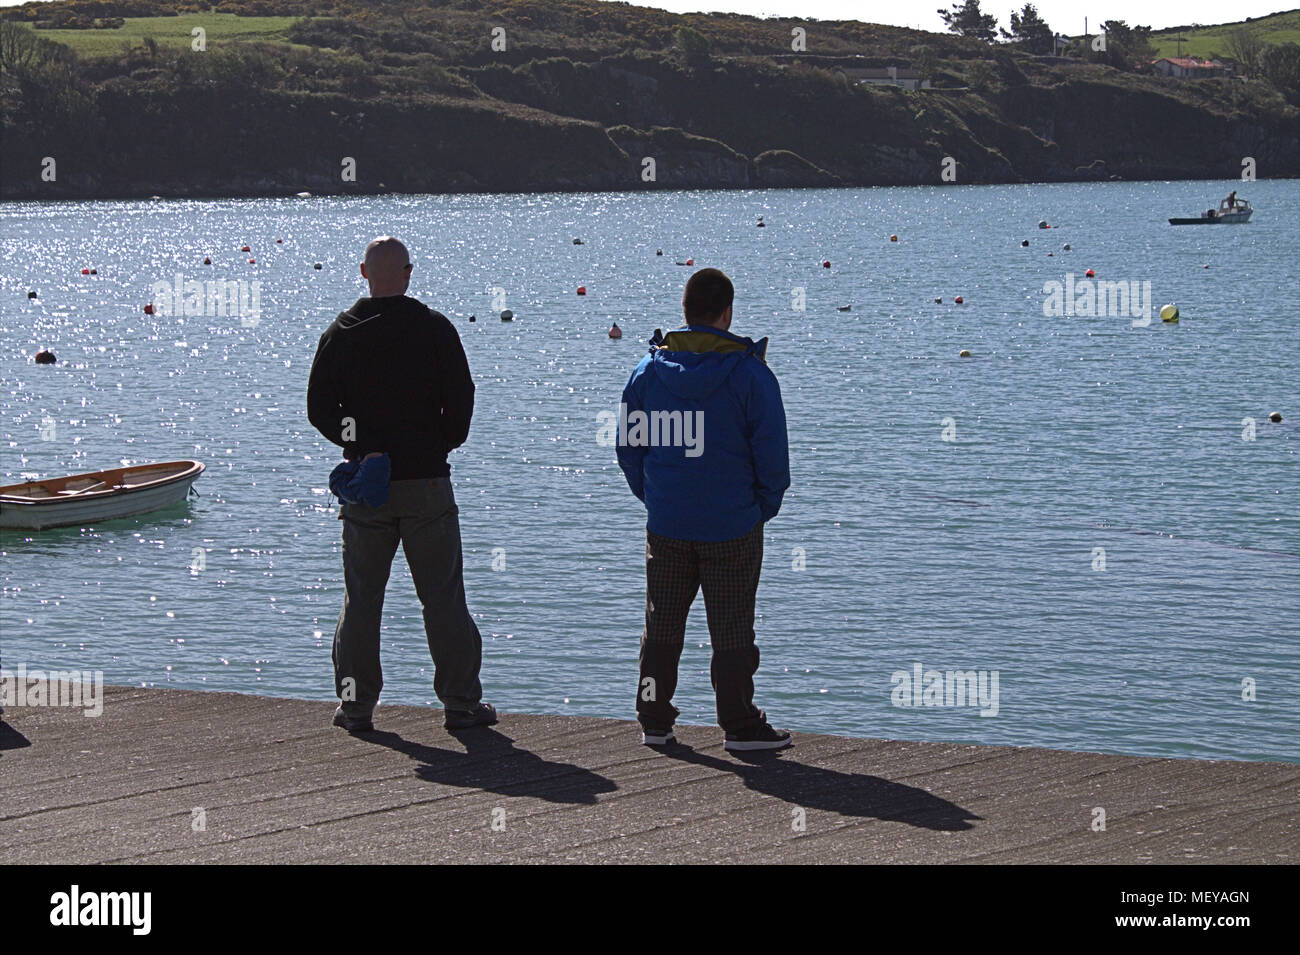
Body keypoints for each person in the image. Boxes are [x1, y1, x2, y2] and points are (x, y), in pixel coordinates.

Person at [307, 236, 496, 733]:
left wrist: (362, 443)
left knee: (362, 599)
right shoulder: (434, 329)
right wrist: (438, 445)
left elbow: (319, 409)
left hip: (368, 486)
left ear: (363, 273)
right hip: (427, 483)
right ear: (408, 273)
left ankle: (355, 707)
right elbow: (461, 399)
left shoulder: (342, 333)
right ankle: (460, 704)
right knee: (443, 597)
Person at [616, 268, 792, 751]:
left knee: (662, 625)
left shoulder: (647, 372)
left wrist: (654, 498)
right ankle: (738, 724)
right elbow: (773, 456)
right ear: (727, 312)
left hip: (668, 522)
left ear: (685, 311)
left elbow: (628, 448)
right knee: (733, 626)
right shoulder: (751, 374)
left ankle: (653, 718)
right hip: (732, 523)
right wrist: (762, 507)